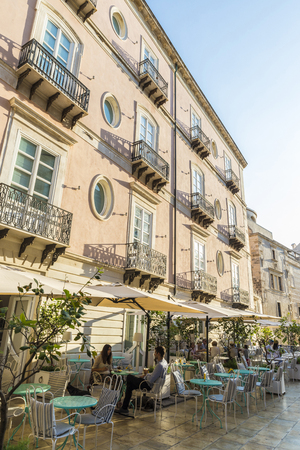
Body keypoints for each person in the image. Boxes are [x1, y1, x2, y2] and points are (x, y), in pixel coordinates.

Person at [118, 346, 168, 415]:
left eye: (155, 352)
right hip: (152, 384)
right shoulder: (164, 363)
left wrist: (146, 375)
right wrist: (147, 375)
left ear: (158, 353)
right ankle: (124, 408)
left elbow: (150, 380)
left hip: (147, 385)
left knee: (129, 377)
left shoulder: (159, 365)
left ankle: (123, 405)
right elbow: (154, 375)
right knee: (130, 386)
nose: (154, 354)